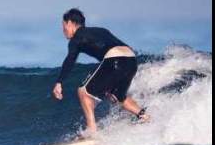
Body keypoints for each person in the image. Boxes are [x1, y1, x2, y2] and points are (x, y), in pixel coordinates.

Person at [52, 8, 150, 136]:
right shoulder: (101, 30)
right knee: (118, 96)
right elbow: (123, 49)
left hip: (115, 59)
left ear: (70, 23)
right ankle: (144, 117)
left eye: (63, 26)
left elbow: (70, 59)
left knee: (83, 92)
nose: (63, 30)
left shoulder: (76, 38)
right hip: (131, 60)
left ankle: (92, 132)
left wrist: (59, 82)